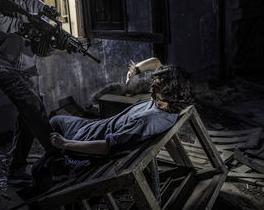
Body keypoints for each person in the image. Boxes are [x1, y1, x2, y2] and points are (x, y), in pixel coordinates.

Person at [0, 0, 71, 182]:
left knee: (29, 112)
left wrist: (54, 42)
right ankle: (58, 157)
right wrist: (20, 26)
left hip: (28, 67)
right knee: (32, 107)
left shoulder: (38, 7)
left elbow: (41, 51)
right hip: (0, 62)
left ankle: (16, 169)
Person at [49, 57, 193, 156]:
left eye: (156, 86)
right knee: (56, 122)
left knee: (54, 122)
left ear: (169, 92)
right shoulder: (167, 105)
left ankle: (58, 161)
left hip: (87, 137)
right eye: (153, 83)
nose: (150, 88)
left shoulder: (149, 120)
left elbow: (107, 147)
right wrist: (135, 70)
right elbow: (156, 63)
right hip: (95, 126)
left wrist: (66, 144)